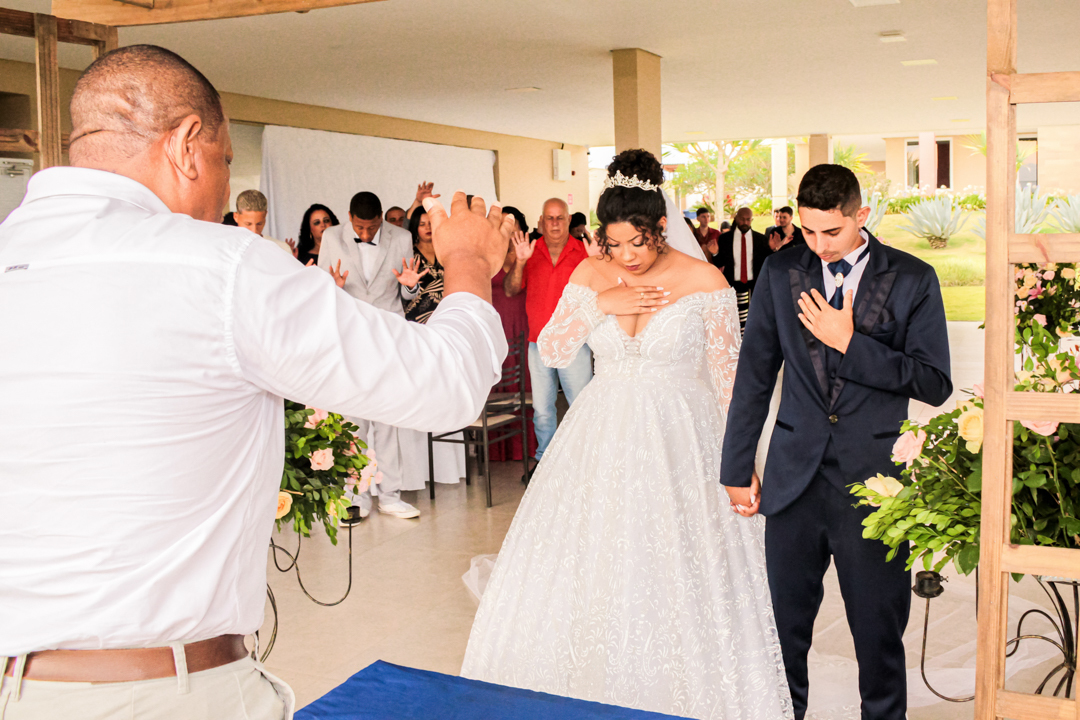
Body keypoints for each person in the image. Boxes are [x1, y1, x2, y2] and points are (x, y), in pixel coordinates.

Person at [0, 44, 511, 720]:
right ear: (187, 144)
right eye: (224, 162)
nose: (220, 191)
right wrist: (471, 260)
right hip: (159, 695)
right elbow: (446, 384)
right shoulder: (218, 268)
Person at [462, 149, 793, 720]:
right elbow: (557, 347)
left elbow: (729, 381)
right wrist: (600, 304)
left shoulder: (705, 280)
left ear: (661, 228)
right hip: (601, 435)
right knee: (596, 559)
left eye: (636, 243)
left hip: (680, 440)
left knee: (674, 564)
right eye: (613, 245)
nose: (625, 256)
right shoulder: (591, 275)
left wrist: (744, 461)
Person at [721, 164, 953, 720]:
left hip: (874, 485)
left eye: (832, 232)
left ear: (861, 216)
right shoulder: (779, 273)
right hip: (793, 479)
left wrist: (850, 342)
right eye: (807, 232)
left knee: (877, 636)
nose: (819, 246)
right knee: (783, 635)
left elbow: (934, 383)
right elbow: (754, 374)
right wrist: (735, 467)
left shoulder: (914, 278)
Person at [318, 191, 431, 519]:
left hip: (387, 339)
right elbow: (324, 288)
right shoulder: (330, 237)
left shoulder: (402, 237)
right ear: (349, 217)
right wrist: (332, 290)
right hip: (350, 338)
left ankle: (391, 495)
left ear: (381, 218)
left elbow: (407, 290)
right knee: (353, 422)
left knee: (388, 419)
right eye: (359, 227)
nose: (365, 234)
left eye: (371, 227)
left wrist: (410, 286)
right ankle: (357, 497)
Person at [503, 197, 593, 481]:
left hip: (574, 342)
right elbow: (510, 290)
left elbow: (604, 290)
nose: (554, 223)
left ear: (569, 221)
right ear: (541, 222)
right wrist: (520, 261)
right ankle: (544, 466)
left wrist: (597, 261)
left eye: (560, 218)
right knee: (542, 410)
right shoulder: (530, 250)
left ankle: (584, 464)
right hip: (537, 341)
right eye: (549, 218)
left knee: (580, 406)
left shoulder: (584, 252)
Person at [711, 206, 771, 328]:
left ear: (752, 220)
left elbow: (768, 263)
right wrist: (715, 253)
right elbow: (720, 263)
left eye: (748, 219)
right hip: (732, 285)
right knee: (732, 322)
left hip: (753, 286)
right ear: (736, 218)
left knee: (752, 322)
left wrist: (773, 249)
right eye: (742, 219)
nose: (745, 222)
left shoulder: (760, 239)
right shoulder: (725, 238)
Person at [404, 207, 443, 323]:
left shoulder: (446, 251)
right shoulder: (409, 253)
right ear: (415, 227)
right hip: (417, 317)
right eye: (422, 224)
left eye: (431, 223)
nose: (428, 227)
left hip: (445, 316)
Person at [234, 189, 296, 257]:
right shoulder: (228, 249)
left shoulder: (282, 249)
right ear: (236, 217)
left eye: (259, 224)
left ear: (265, 216)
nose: (254, 231)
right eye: (248, 224)